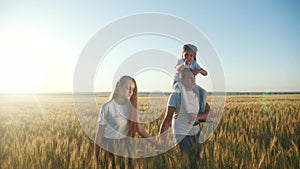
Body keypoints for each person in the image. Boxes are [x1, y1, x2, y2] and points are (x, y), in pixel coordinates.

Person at [94, 75, 155, 169]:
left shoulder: (131, 108)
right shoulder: (107, 107)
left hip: (127, 148)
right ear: (119, 87)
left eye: (133, 89)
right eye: (128, 88)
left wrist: (155, 143)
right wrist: (96, 158)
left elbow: (140, 130)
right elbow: (99, 134)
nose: (131, 92)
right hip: (110, 148)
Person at [160, 68, 213, 169]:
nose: (193, 81)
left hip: (196, 133)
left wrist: (198, 117)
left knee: (196, 163)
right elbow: (168, 119)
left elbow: (210, 113)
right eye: (189, 78)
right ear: (182, 79)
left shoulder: (198, 96)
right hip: (181, 135)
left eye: (193, 78)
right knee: (186, 164)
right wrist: (160, 140)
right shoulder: (175, 96)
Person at [173, 44, 210, 125]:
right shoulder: (180, 61)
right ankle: (186, 115)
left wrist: (199, 71)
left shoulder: (194, 63)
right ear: (182, 54)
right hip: (179, 84)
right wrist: (184, 64)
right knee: (183, 92)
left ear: (194, 56)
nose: (188, 57)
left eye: (191, 55)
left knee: (203, 92)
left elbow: (205, 73)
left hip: (190, 85)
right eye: (186, 54)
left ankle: (199, 115)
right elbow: (177, 68)